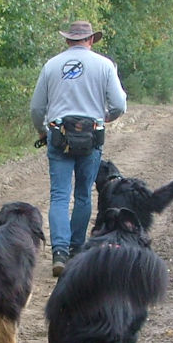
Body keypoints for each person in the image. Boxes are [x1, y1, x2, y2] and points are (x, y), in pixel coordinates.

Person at [30, 20, 127, 277]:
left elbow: (37, 108)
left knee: (60, 196)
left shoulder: (51, 65)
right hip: (92, 135)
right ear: (91, 40)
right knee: (83, 194)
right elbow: (119, 104)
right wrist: (105, 118)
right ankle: (75, 250)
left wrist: (42, 130)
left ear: (67, 40)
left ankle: (58, 252)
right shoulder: (105, 65)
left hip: (59, 134)